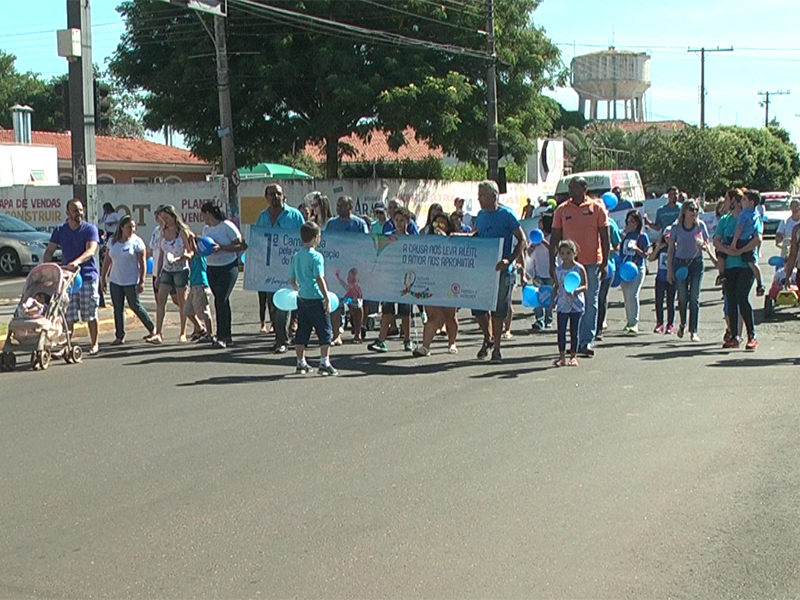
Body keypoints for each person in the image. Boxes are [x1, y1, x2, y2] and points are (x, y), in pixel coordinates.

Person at [550, 176, 610, 358]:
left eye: (574, 187)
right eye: (570, 187)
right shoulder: (562, 210)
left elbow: (605, 237)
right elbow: (554, 238)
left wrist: (605, 262)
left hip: (591, 262)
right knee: (568, 301)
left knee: (589, 301)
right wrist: (552, 264)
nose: (571, 191)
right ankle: (573, 342)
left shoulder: (597, 208)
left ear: (584, 188)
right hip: (568, 265)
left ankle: (586, 341)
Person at [472, 180, 526, 362]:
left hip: (503, 271)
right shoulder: (480, 215)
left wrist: (509, 259)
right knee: (478, 308)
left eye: (482, 195)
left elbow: (522, 240)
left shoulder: (507, 215)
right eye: (478, 195)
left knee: (498, 310)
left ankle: (496, 349)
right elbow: (479, 235)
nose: (479, 198)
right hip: (483, 269)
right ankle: (487, 338)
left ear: (494, 196)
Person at [43, 198, 101, 355]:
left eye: (81, 210)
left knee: (90, 313)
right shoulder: (60, 230)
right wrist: (46, 270)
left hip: (87, 276)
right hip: (68, 278)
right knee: (68, 314)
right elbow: (49, 251)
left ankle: (94, 343)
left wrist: (76, 262)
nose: (79, 213)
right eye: (75, 210)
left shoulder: (90, 229)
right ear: (67, 213)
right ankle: (66, 345)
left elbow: (91, 251)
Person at [256, 183, 305, 353]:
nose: (275, 197)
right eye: (271, 194)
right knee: (272, 303)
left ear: (283, 195)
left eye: (278, 193)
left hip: (290, 267)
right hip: (270, 268)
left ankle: (282, 340)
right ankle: (281, 336)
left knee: (284, 302)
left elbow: (304, 238)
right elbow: (258, 240)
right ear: (266, 197)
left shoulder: (295, 215)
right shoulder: (262, 217)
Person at [100, 215, 157, 345]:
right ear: (121, 228)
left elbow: (142, 263)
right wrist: (103, 278)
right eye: (128, 227)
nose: (131, 229)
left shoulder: (137, 242)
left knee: (135, 305)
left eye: (133, 227)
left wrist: (141, 281)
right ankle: (120, 335)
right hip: (115, 280)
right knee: (118, 308)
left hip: (131, 281)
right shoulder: (112, 241)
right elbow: (107, 260)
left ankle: (152, 328)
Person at [289, 221, 337, 376]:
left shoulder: (296, 256)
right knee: (325, 330)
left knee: (303, 330)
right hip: (316, 298)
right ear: (316, 237)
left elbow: (292, 280)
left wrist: (299, 289)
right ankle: (324, 361)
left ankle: (300, 362)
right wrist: (326, 296)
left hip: (302, 298)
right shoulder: (317, 257)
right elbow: (319, 277)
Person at [717, 190, 762, 350]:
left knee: (742, 297)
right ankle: (735, 336)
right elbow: (716, 240)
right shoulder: (725, 220)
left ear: (735, 201)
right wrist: (728, 251)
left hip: (745, 265)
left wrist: (741, 251)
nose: (726, 202)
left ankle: (752, 335)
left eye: (728, 199)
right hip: (730, 265)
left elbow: (757, 239)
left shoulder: (751, 216)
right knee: (732, 300)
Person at [368, 207, 416, 353]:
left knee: (405, 311)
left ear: (408, 221)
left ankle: (407, 340)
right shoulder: (387, 237)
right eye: (397, 220)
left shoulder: (412, 239)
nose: (399, 223)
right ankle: (381, 340)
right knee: (387, 310)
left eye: (402, 220)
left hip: (405, 279)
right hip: (390, 278)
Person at [413, 212, 460, 356]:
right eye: (435, 224)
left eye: (441, 224)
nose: (437, 227)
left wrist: (445, 239)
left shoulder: (454, 239)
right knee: (432, 315)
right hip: (431, 281)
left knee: (449, 315)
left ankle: (452, 342)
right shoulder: (427, 241)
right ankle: (425, 346)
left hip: (448, 281)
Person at [201, 201, 246, 349]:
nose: (202, 217)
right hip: (212, 267)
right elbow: (204, 246)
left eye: (203, 214)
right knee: (219, 301)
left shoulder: (226, 226)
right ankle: (225, 335)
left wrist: (222, 248)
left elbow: (241, 245)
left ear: (208, 213)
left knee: (222, 298)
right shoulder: (206, 229)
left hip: (228, 267)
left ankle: (224, 335)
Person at [326, 196, 369, 344]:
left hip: (353, 271)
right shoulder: (331, 224)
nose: (339, 209)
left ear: (350, 207)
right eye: (337, 206)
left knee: (354, 303)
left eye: (342, 206)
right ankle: (336, 334)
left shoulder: (359, 224)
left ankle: (357, 332)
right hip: (336, 270)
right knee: (335, 303)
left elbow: (366, 244)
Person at [667, 199, 709, 342]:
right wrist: (669, 271)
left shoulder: (700, 226)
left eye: (696, 209)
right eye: (691, 209)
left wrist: (703, 245)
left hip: (696, 263)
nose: (694, 212)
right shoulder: (676, 227)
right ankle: (682, 323)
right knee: (683, 297)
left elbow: (707, 244)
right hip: (680, 263)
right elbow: (671, 249)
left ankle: (694, 331)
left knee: (694, 298)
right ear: (684, 211)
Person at [150, 205, 192, 344]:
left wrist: (180, 257)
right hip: (167, 270)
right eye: (163, 219)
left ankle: (182, 332)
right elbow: (161, 254)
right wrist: (158, 273)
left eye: (167, 218)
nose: (165, 221)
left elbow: (190, 251)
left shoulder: (182, 232)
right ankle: (158, 333)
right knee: (161, 300)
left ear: (174, 217)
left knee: (181, 302)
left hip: (180, 269)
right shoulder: (163, 231)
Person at [552, 239, 587, 367]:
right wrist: (552, 301)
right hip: (562, 303)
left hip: (576, 304)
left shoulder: (579, 268)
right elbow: (557, 286)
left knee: (574, 331)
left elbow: (585, 285)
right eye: (562, 253)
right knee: (561, 330)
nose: (565, 256)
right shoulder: (558, 270)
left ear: (574, 253)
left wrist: (576, 291)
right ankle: (561, 356)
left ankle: (573, 356)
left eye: (568, 253)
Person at [728, 190, 764, 296]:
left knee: (724, 247)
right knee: (752, 263)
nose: (742, 202)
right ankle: (760, 283)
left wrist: (734, 242)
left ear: (751, 202)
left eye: (744, 199)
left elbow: (739, 228)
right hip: (748, 240)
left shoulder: (744, 214)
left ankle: (722, 274)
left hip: (741, 240)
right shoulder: (756, 214)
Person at [618, 210, 649, 334]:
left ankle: (634, 322)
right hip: (624, 269)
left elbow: (646, 254)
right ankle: (629, 321)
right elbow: (619, 250)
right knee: (626, 296)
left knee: (633, 294)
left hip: (637, 268)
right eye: (629, 221)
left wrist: (636, 249)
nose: (630, 224)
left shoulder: (642, 236)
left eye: (633, 221)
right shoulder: (624, 235)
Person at [594, 213, 622, 341]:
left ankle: (599, 328)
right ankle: (588, 328)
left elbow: (617, 244)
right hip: (590, 263)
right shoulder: (586, 221)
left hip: (608, 265)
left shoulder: (610, 224)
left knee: (601, 297)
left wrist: (610, 250)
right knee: (589, 298)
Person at [525, 211, 553, 331]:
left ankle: (548, 319)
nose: (538, 224)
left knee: (549, 297)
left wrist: (543, 242)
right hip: (538, 272)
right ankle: (539, 320)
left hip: (550, 272)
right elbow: (529, 252)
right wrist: (532, 246)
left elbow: (554, 250)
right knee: (538, 297)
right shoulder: (535, 236)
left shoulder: (552, 236)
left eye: (540, 222)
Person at [149, 206, 180, 310]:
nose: (157, 218)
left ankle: (194, 318)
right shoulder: (156, 231)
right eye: (156, 215)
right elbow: (152, 250)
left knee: (177, 300)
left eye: (159, 216)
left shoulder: (174, 230)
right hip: (156, 270)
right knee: (159, 301)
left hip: (170, 269)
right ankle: (159, 325)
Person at [184, 236, 214, 343]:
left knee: (204, 311)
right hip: (193, 285)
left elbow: (196, 251)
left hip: (201, 285)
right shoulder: (193, 256)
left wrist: (192, 240)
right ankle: (200, 328)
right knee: (188, 310)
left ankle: (210, 334)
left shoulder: (201, 255)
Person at [648, 228, 675, 334]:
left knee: (670, 302)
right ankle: (659, 323)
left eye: (670, 237)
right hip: (660, 278)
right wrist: (658, 247)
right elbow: (650, 258)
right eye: (666, 237)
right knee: (659, 301)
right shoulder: (661, 248)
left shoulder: (676, 248)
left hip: (672, 279)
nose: (668, 240)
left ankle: (670, 324)